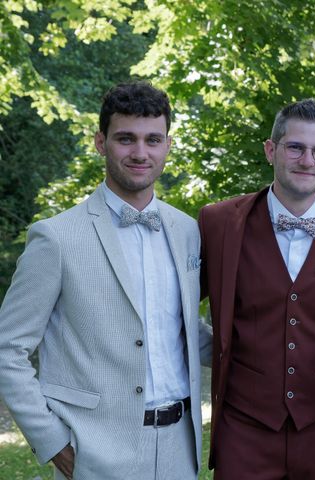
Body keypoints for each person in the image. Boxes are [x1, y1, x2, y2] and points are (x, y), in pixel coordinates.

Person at [0, 81, 213, 480]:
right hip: (95, 451)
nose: (140, 153)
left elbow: (180, 330)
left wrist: (259, 350)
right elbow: (7, 350)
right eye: (125, 139)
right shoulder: (56, 237)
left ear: (168, 144)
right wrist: (52, 442)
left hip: (180, 451)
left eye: (153, 139)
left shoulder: (187, 230)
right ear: (101, 142)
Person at [197, 98, 315, 479]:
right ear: (272, 150)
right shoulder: (218, 223)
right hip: (244, 428)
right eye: (295, 147)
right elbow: (172, 306)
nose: (307, 160)